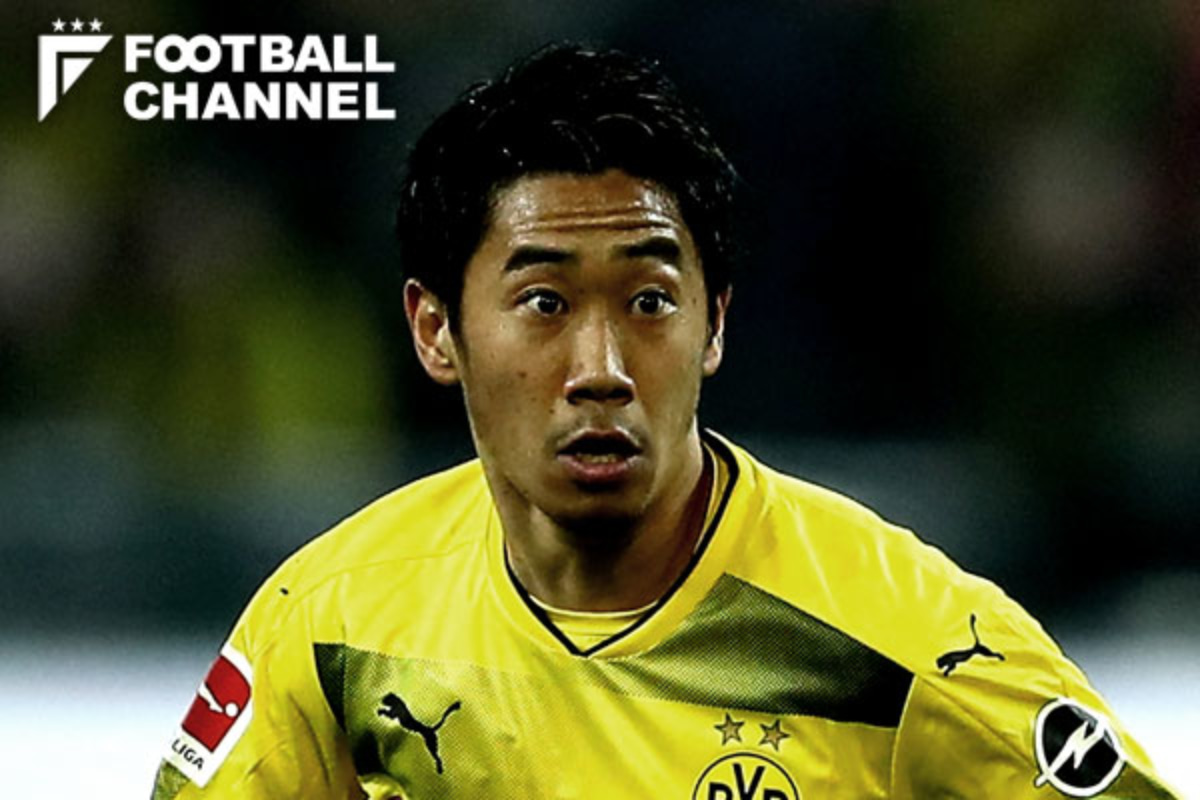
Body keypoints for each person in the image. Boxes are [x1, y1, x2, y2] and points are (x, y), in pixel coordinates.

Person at [151, 44, 1179, 799]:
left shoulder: (908, 642)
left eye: (649, 301)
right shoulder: (333, 620)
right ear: (436, 330)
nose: (601, 370)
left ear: (714, 324)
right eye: (544, 303)